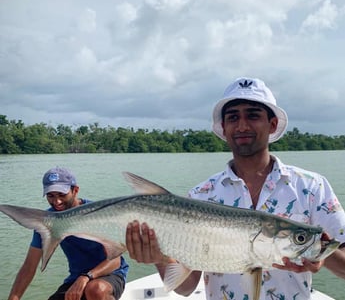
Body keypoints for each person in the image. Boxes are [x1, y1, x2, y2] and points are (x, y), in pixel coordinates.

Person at [125, 77, 345, 300]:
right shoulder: (201, 195)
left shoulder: (311, 186)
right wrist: (159, 257)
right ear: (224, 127)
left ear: (272, 124)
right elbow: (186, 288)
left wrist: (321, 256)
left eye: (253, 115)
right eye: (233, 118)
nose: (242, 126)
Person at [8, 167, 129, 300]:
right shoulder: (46, 223)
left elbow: (115, 261)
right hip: (76, 279)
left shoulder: (98, 214)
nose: (57, 201)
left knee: (95, 290)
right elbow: (29, 266)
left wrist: (87, 277)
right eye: (51, 196)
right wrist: (14, 297)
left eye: (62, 194)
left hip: (109, 274)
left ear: (75, 190)